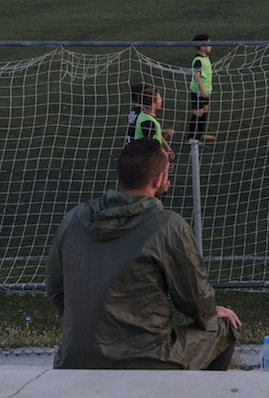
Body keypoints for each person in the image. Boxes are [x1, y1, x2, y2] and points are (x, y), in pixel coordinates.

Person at [46, 138, 242, 369]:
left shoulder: (73, 219)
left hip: (75, 357)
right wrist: (210, 312)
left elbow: (55, 290)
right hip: (148, 359)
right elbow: (193, 299)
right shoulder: (168, 226)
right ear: (158, 178)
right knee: (227, 325)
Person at [126, 83, 174, 158]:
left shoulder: (136, 111)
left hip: (132, 146)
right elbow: (148, 134)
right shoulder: (145, 116)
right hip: (141, 152)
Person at [186, 34, 214, 143]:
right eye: (208, 43)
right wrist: (202, 91)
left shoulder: (205, 57)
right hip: (198, 91)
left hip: (206, 90)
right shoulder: (197, 60)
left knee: (205, 110)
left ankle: (201, 134)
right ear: (202, 47)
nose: (211, 45)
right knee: (198, 112)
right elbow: (196, 77)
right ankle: (190, 137)